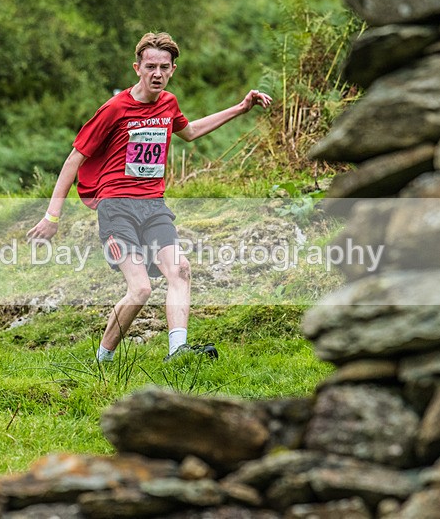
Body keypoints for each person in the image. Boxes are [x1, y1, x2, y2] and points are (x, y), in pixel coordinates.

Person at [27, 32, 271, 362]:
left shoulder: (169, 103)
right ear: (137, 68)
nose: (157, 73)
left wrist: (241, 108)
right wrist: (51, 217)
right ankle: (103, 359)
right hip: (116, 208)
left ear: (172, 70)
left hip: (154, 207)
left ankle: (178, 353)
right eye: (151, 66)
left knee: (180, 269)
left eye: (165, 67)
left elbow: (191, 132)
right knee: (140, 289)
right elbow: (74, 159)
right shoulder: (114, 108)